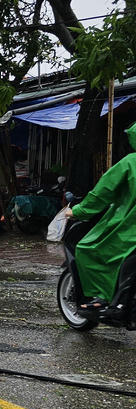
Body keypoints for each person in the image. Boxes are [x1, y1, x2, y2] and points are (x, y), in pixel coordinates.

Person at [65, 121, 136, 321]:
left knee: (89, 249)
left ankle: (103, 299)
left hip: (129, 229)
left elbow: (102, 193)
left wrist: (78, 211)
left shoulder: (130, 162)